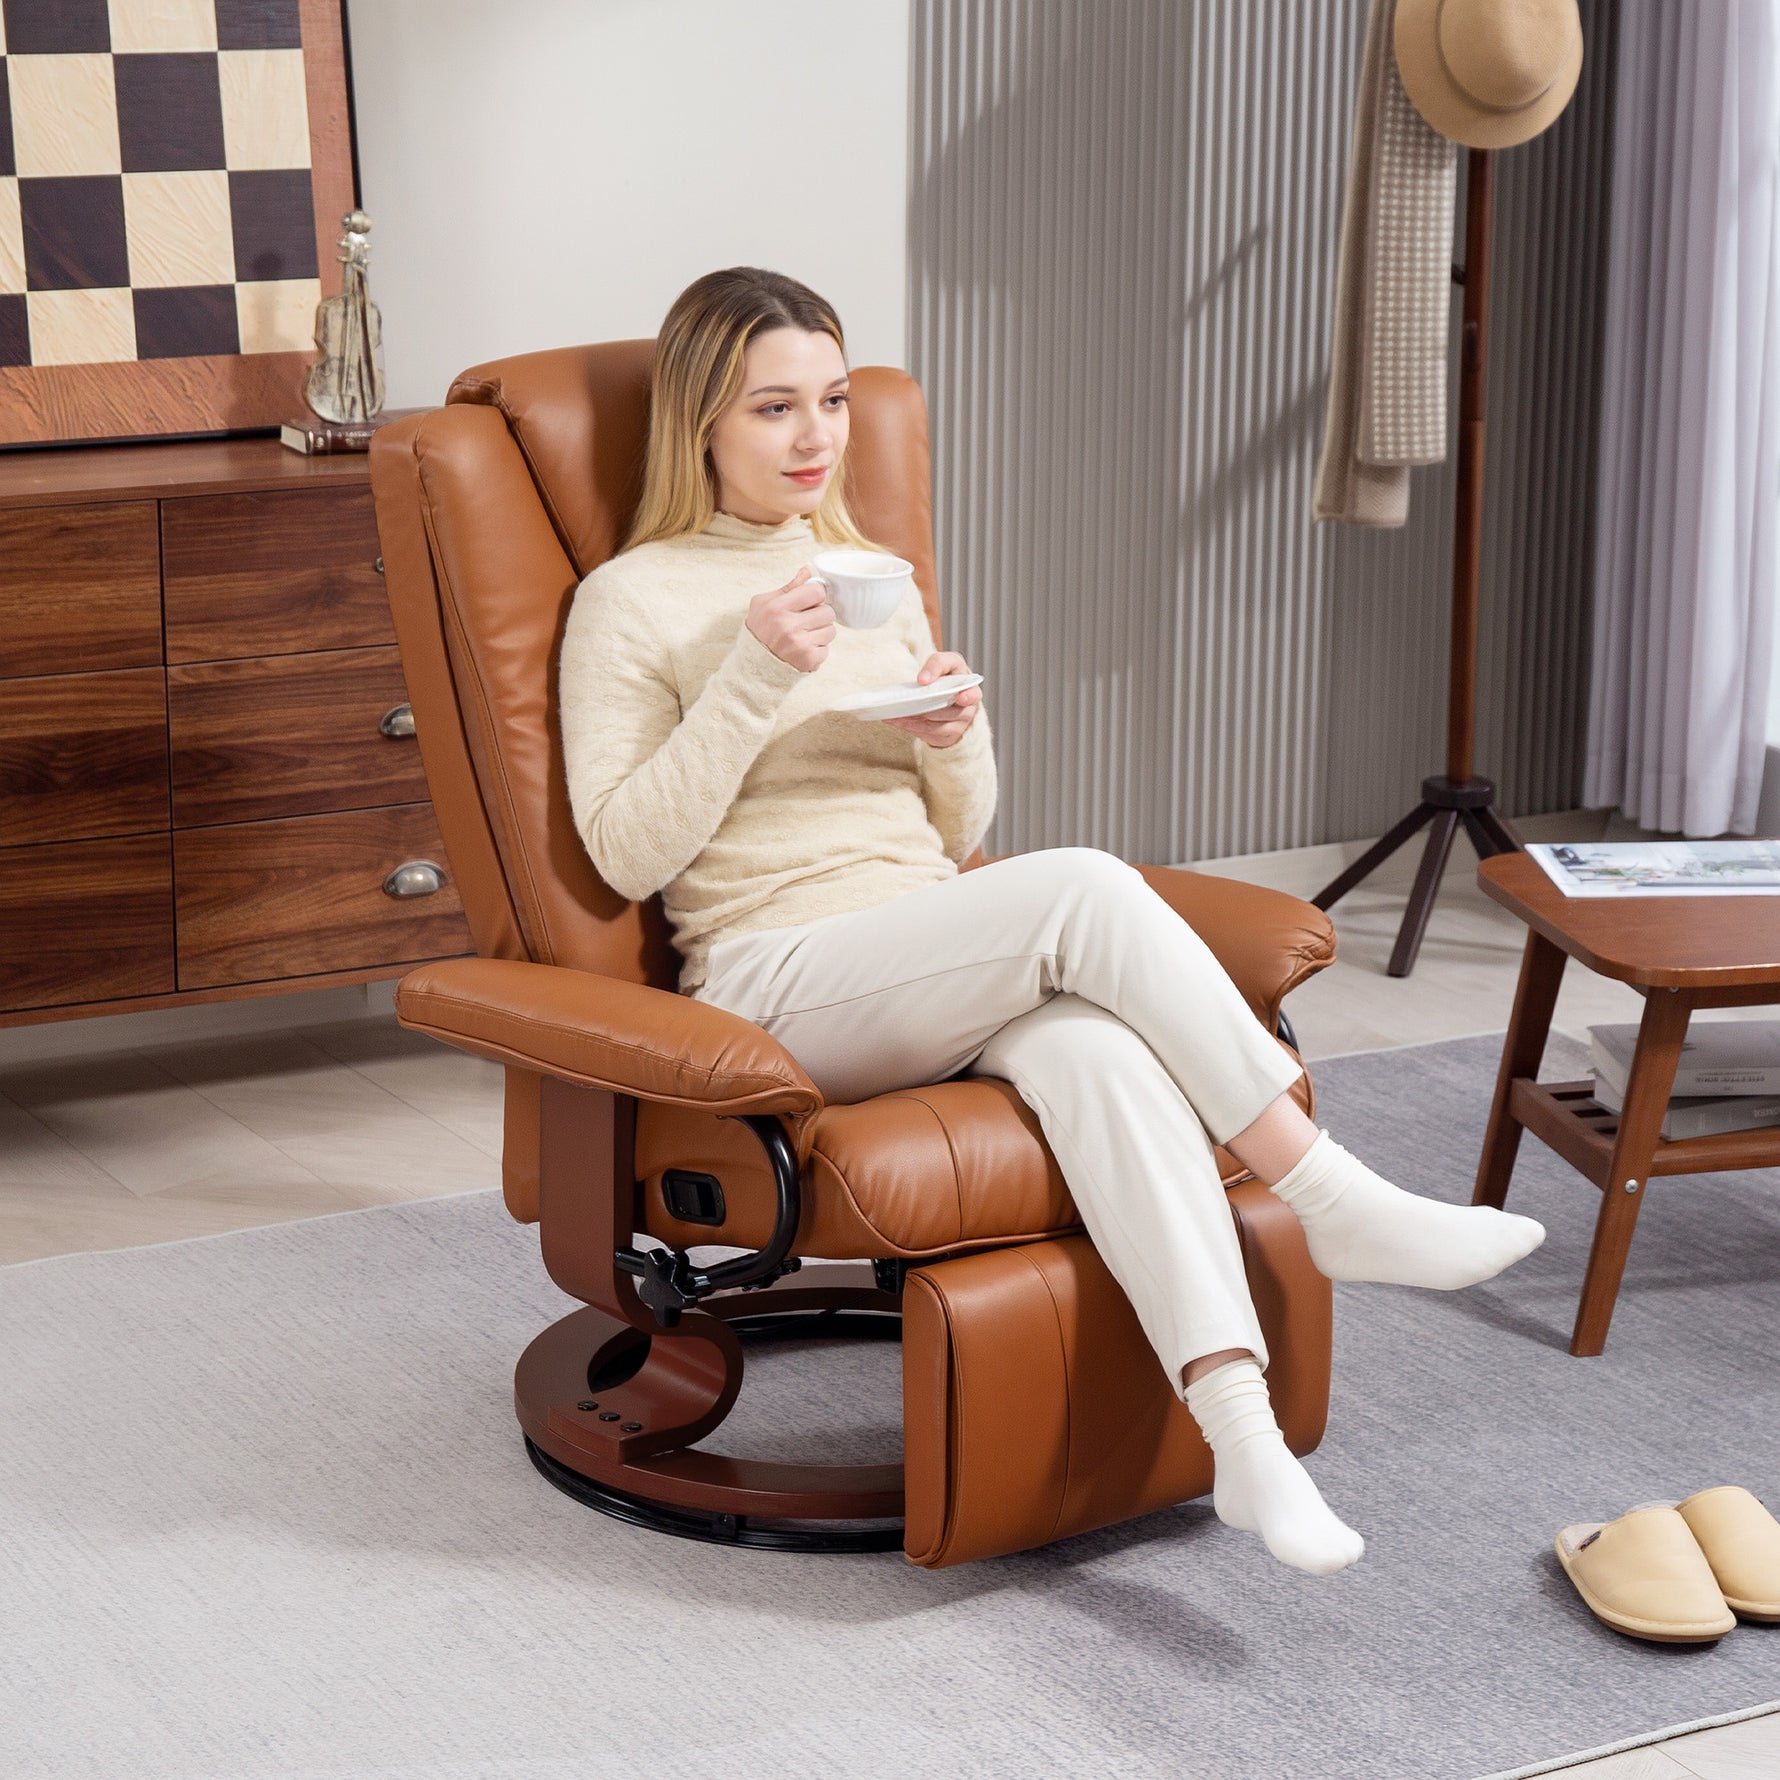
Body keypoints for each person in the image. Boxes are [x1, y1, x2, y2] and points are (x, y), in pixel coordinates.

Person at [558, 266, 1546, 1577]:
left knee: (1101, 1051)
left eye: (836, 401)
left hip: (922, 942)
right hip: (772, 975)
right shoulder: (633, 599)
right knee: (1082, 882)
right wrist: (751, 674)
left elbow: (962, 831)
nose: (816, 437)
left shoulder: (870, 576)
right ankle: (1324, 1188)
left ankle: (1245, 1442)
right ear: (700, 427)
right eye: (774, 409)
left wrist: (959, 726)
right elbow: (626, 854)